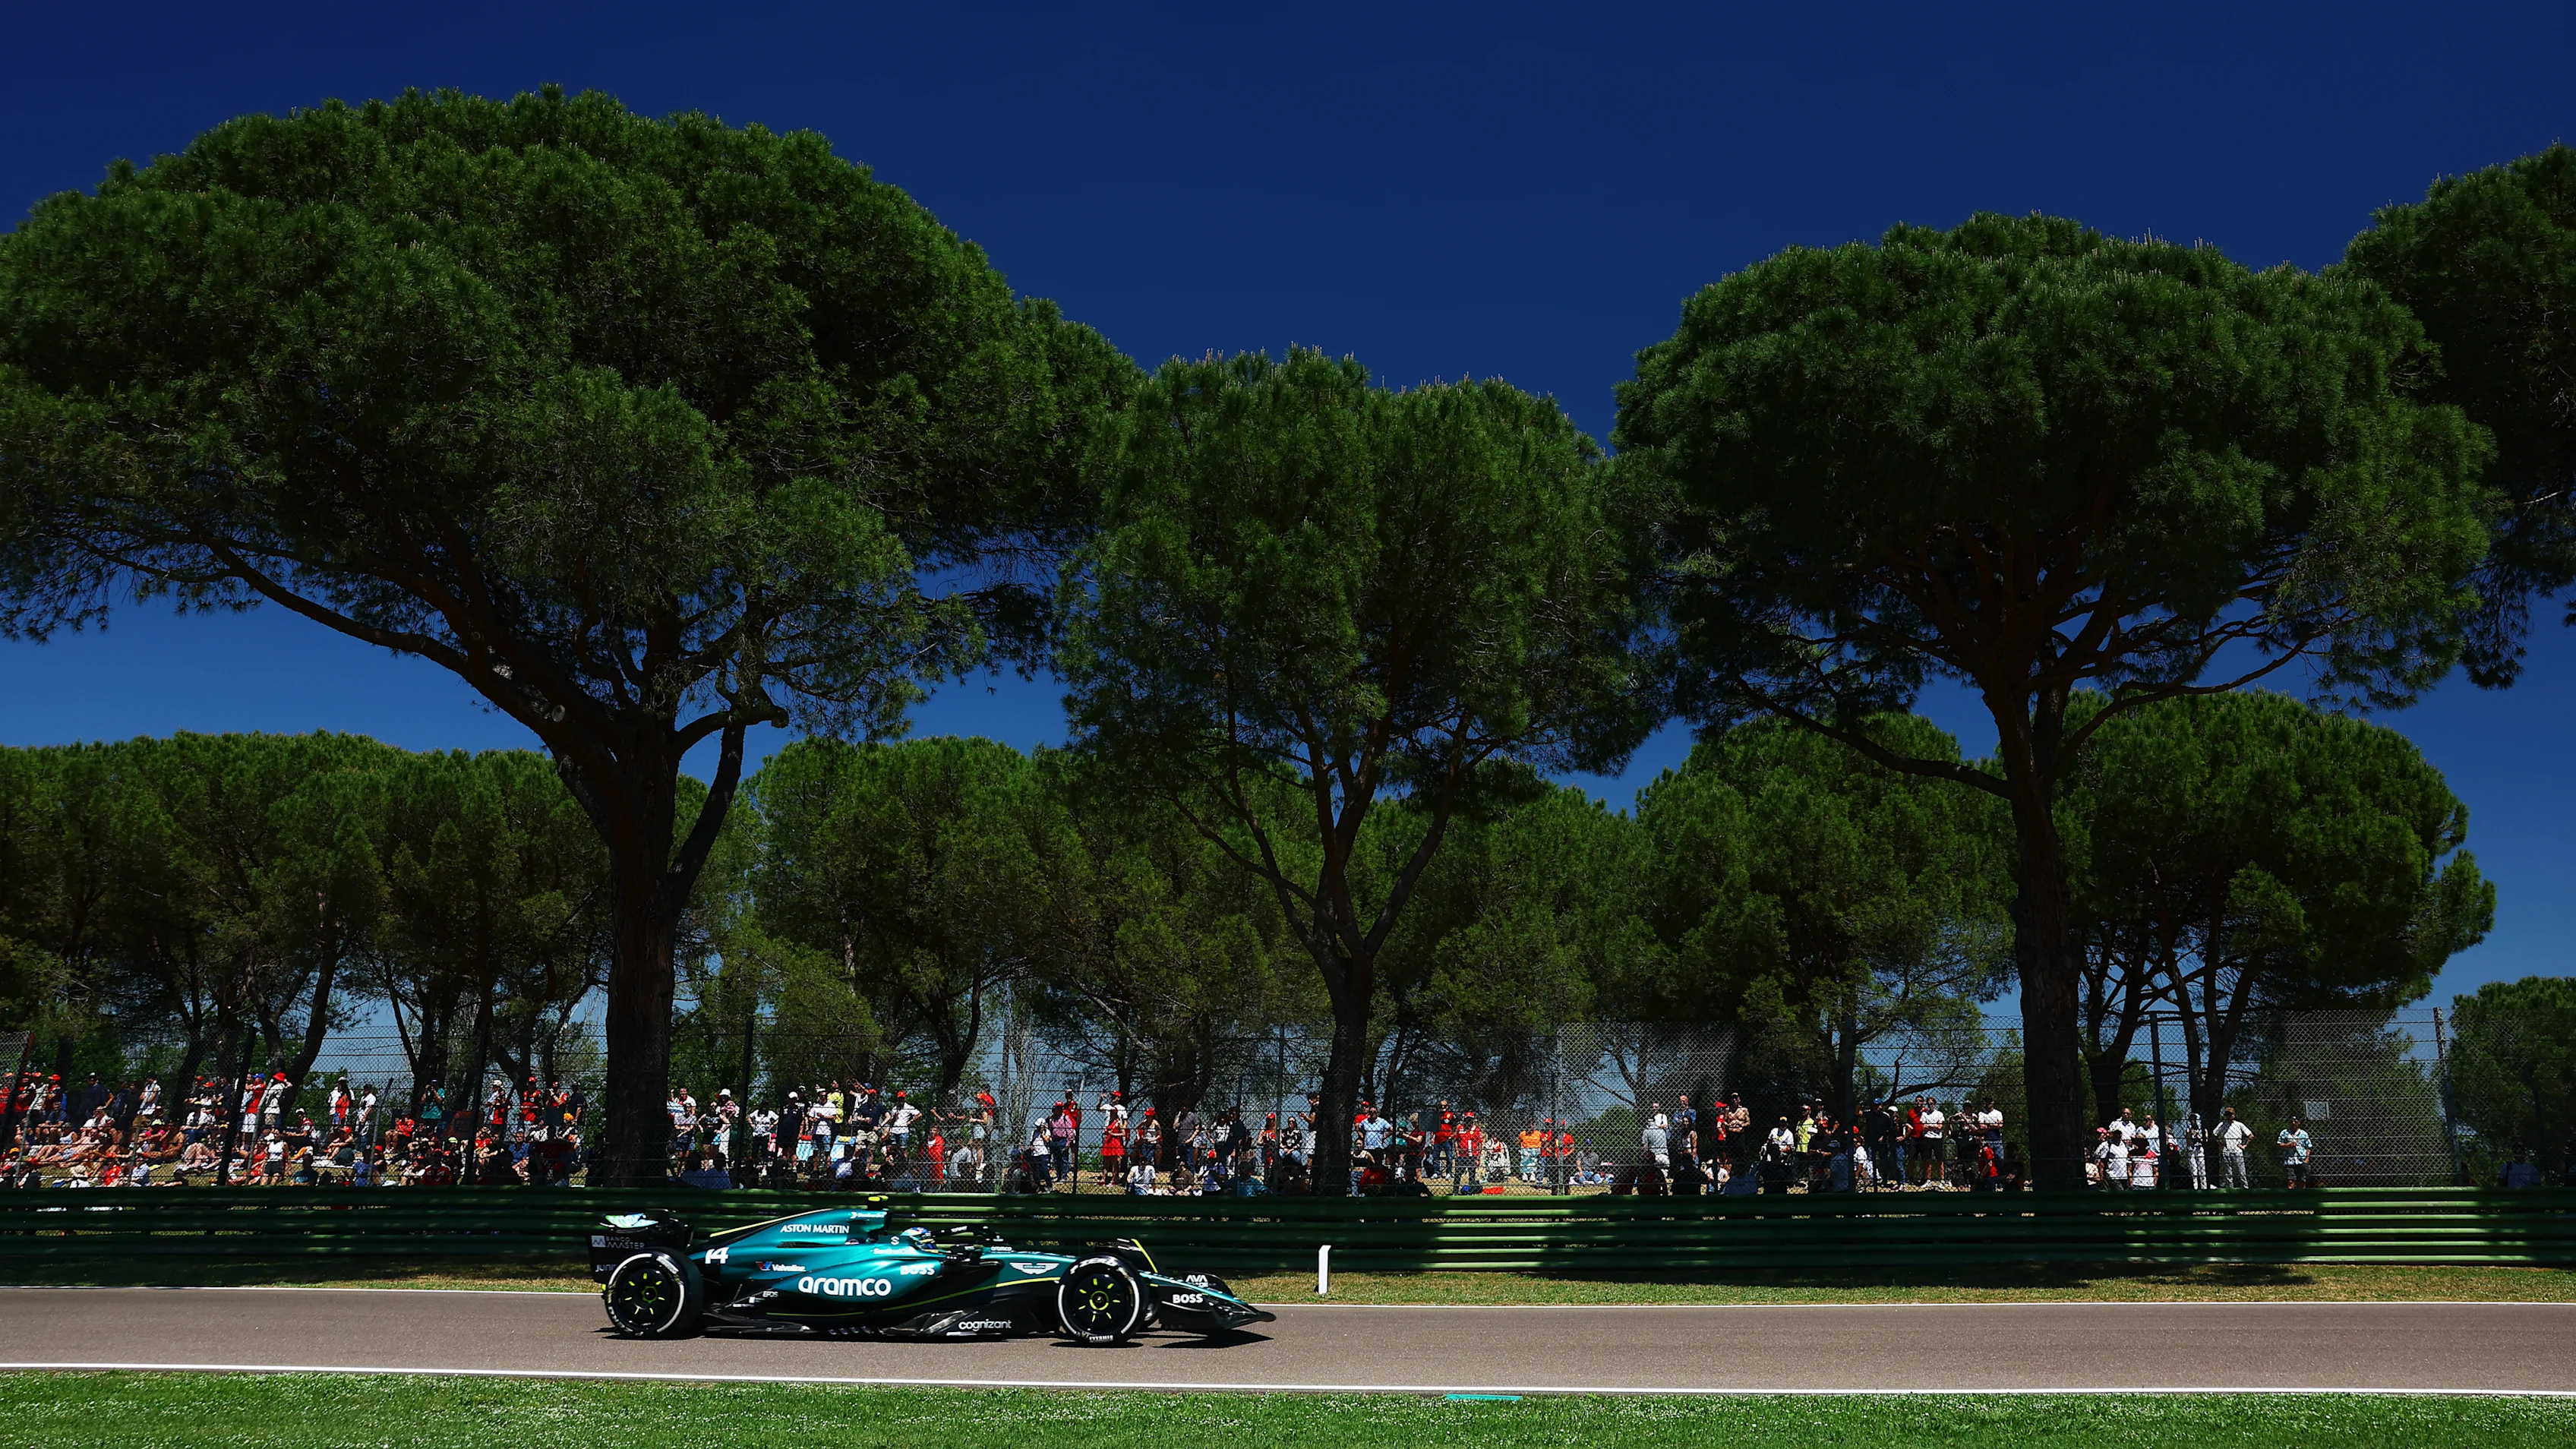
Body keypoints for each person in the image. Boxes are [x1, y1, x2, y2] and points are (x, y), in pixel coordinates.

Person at [2215, 1106, 2253, 1189]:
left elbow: (2250, 1135)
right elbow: (2214, 1134)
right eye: (2227, 1114)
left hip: (2237, 1150)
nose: (2228, 1116)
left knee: (2241, 1171)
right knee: (2228, 1172)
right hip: (2227, 1150)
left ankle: (2245, 1188)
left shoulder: (2239, 1125)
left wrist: (2244, 1145)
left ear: (2234, 1115)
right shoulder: (2222, 1124)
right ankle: (2230, 1189)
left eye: (2230, 1114)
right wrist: (2220, 1143)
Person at [2277, 1116, 2314, 1189]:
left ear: (2299, 1123)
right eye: (2292, 1122)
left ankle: (2302, 1197)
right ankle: (2291, 1198)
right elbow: (2279, 1144)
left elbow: (2309, 1147)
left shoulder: (2304, 1134)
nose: (2293, 1123)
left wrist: (2307, 1159)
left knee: (2302, 1181)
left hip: (2301, 1160)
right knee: (2291, 1180)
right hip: (2289, 1160)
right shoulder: (2284, 1133)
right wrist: (2287, 1145)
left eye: (2296, 1122)